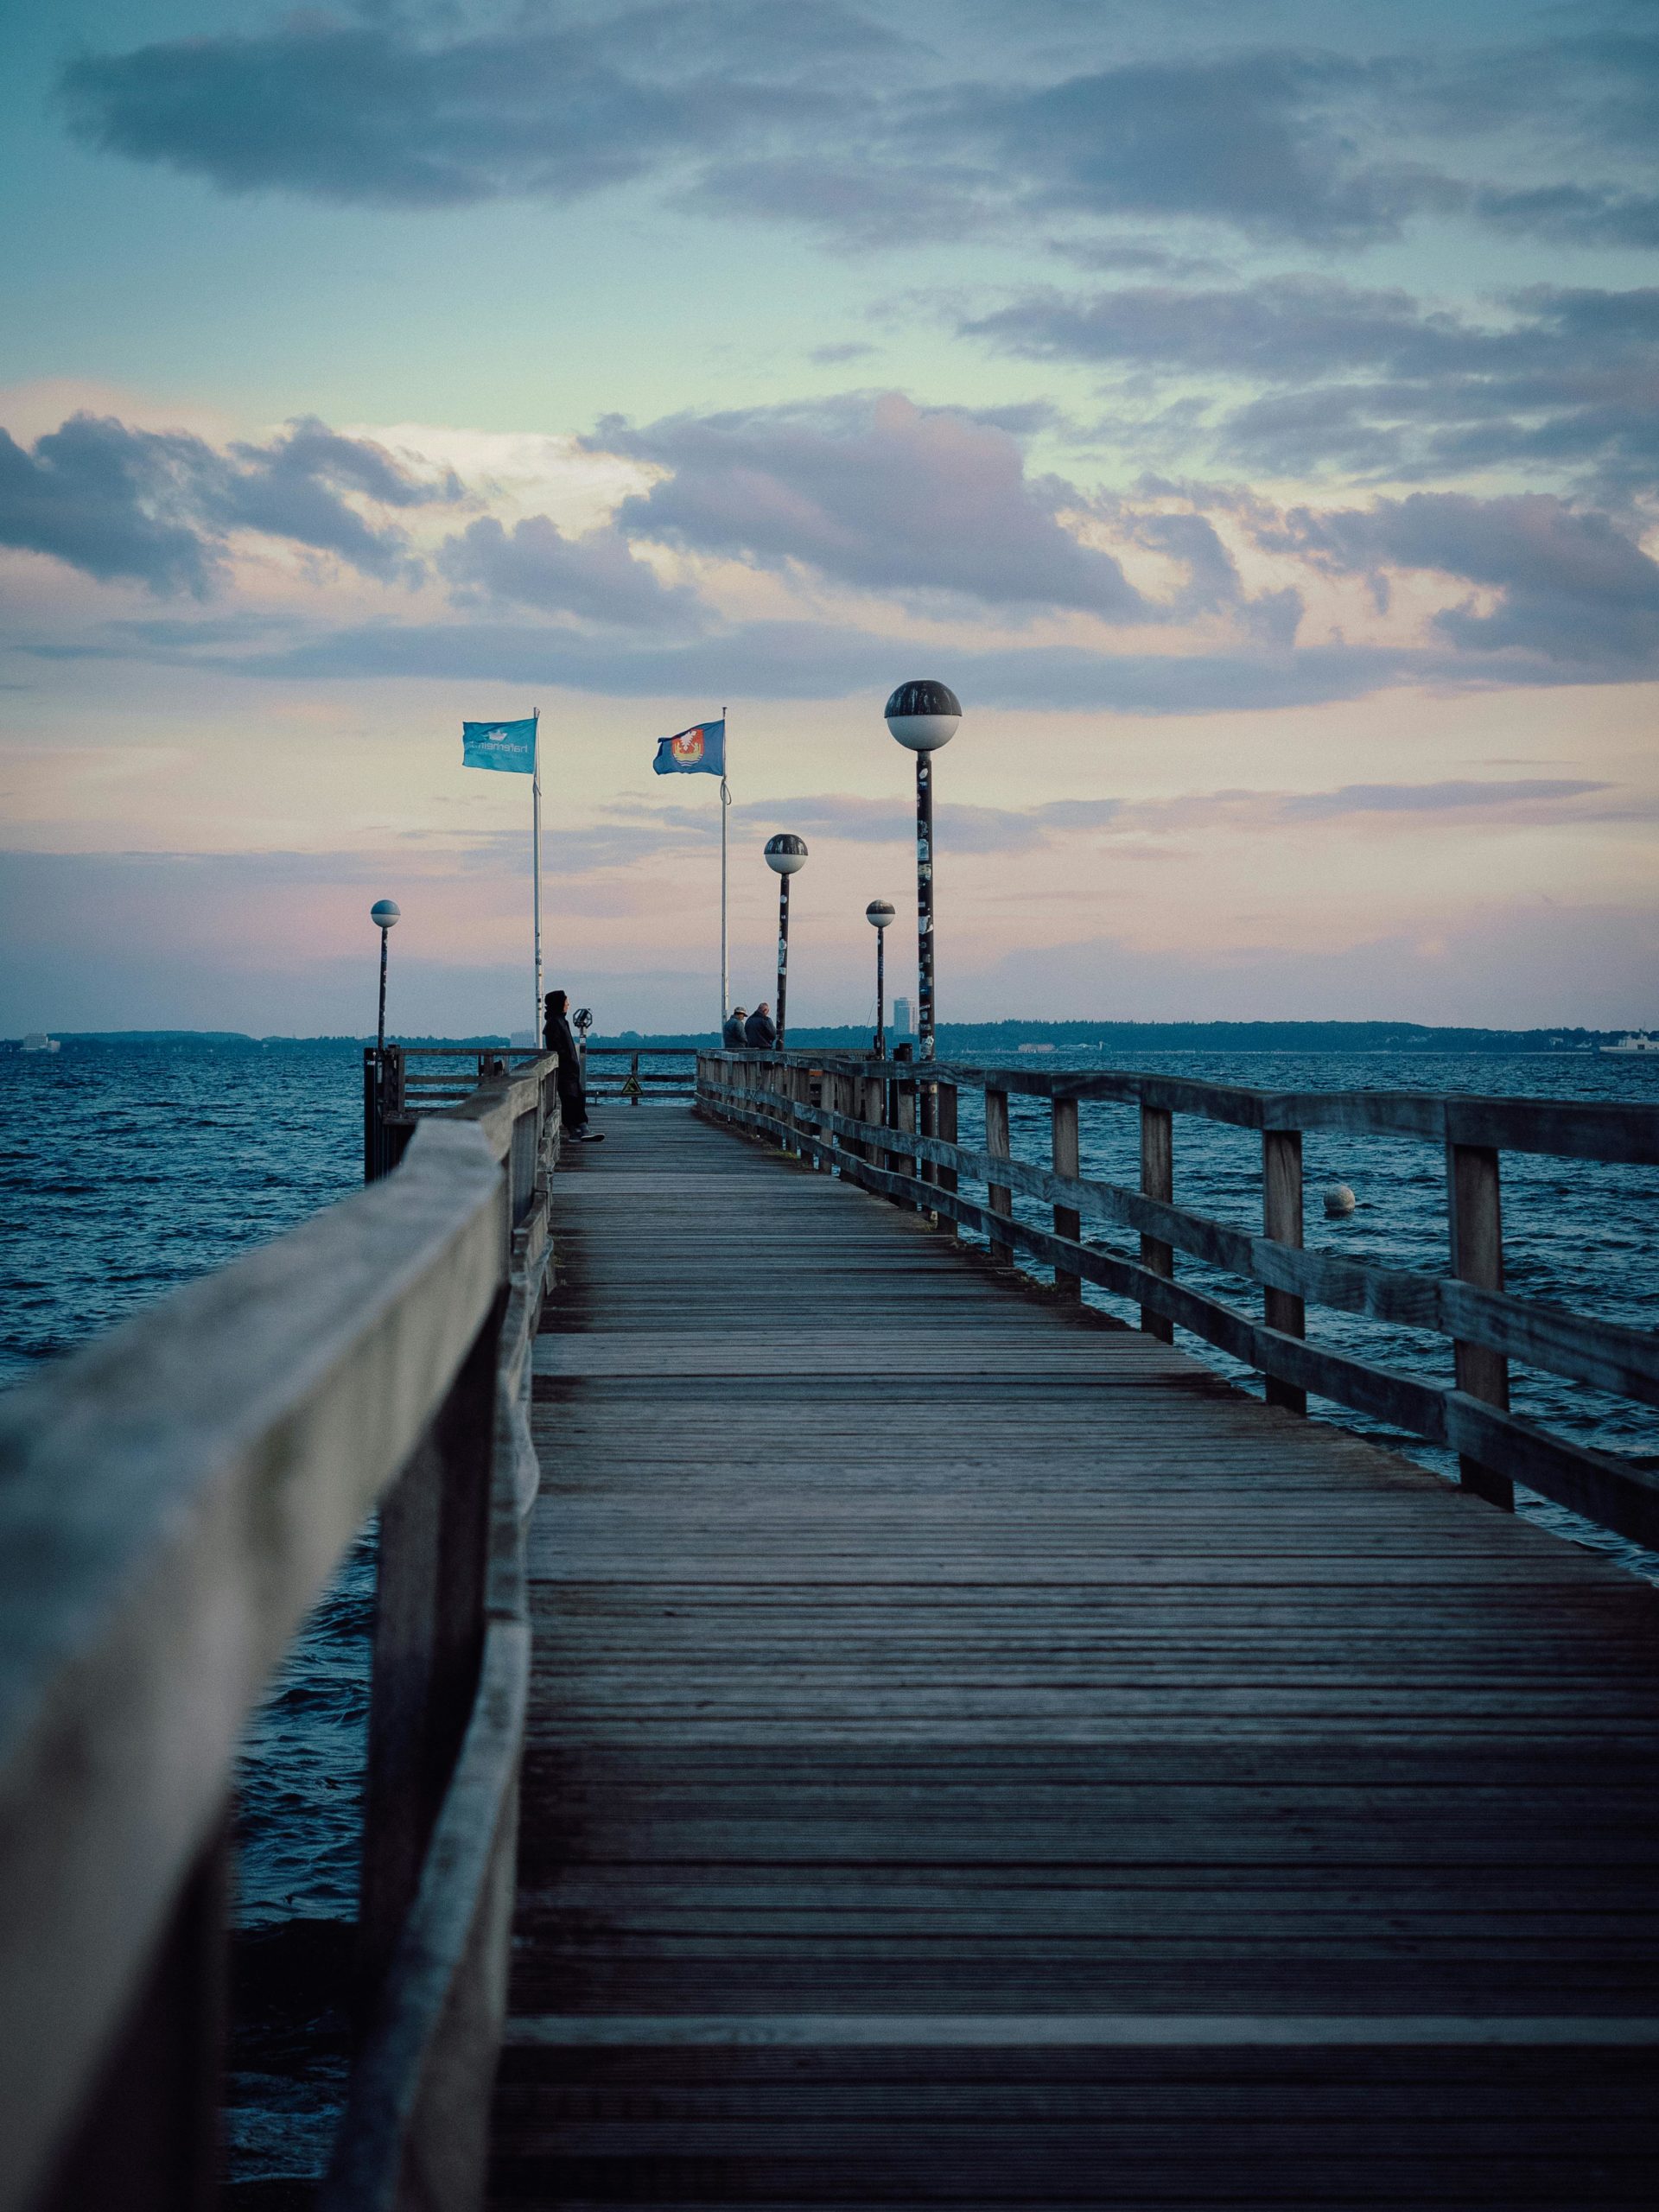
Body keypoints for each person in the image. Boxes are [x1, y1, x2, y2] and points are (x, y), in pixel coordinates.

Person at [543, 989, 605, 1142]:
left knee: (575, 1098)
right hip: (565, 1069)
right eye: (566, 1002)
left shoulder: (561, 1021)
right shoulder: (554, 1023)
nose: (568, 1004)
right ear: (559, 1003)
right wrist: (567, 1059)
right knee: (571, 1099)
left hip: (570, 1069)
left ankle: (580, 1130)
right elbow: (556, 1047)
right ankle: (579, 1131)